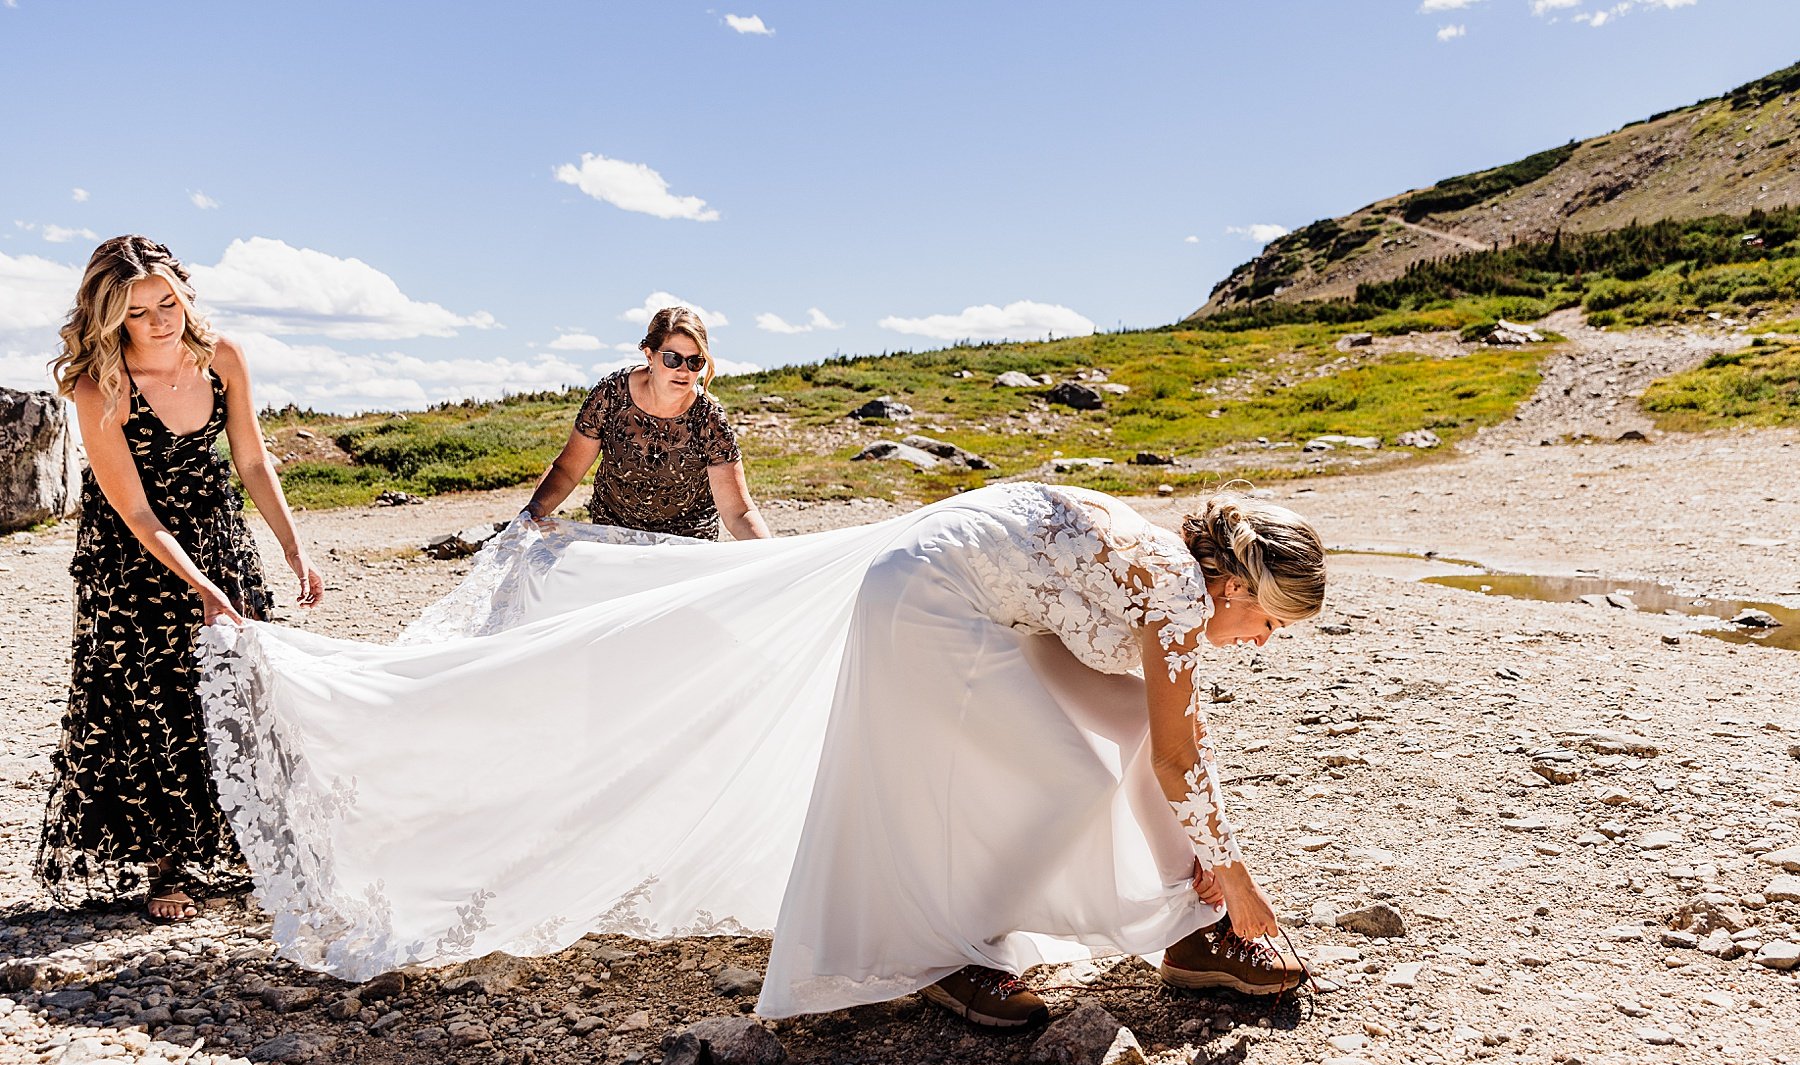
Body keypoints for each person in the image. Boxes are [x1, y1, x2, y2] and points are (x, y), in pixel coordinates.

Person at [195, 481, 1323, 1025]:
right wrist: (1251, 881)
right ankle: (948, 950)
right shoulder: (1177, 595)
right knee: (1074, 768)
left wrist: (1211, 849)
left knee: (1109, 738)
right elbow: (1183, 758)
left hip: (953, 594)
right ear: (1234, 584)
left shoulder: (1158, 562)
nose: (1262, 643)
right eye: (1270, 622)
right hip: (931, 606)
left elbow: (1159, 730)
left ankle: (1185, 931)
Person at [35, 235, 324, 922]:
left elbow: (251, 462)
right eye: (140, 312)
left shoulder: (223, 357)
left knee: (243, 682)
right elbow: (134, 508)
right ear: (113, 318)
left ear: (186, 294)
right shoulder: (96, 384)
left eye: (169, 301)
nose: (162, 320)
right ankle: (167, 861)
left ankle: (253, 839)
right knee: (152, 693)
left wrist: (292, 545)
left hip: (217, 533)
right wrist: (197, 585)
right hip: (134, 554)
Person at [520, 305, 769, 541]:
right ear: (649, 355)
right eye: (673, 359)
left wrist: (773, 555)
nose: (684, 371)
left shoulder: (709, 418)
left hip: (687, 541)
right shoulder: (611, 395)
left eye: (695, 361)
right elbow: (567, 470)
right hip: (613, 533)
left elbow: (738, 512)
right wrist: (535, 509)